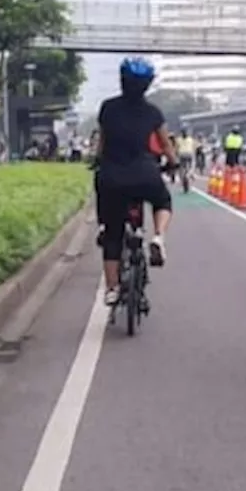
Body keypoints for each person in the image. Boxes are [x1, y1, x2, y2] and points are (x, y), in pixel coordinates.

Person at [95, 57, 178, 307]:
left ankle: (111, 288)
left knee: (112, 234)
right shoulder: (153, 112)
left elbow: (102, 143)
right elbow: (165, 146)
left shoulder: (107, 108)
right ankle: (159, 237)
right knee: (162, 200)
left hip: (112, 176)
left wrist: (97, 160)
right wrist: (173, 162)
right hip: (145, 174)